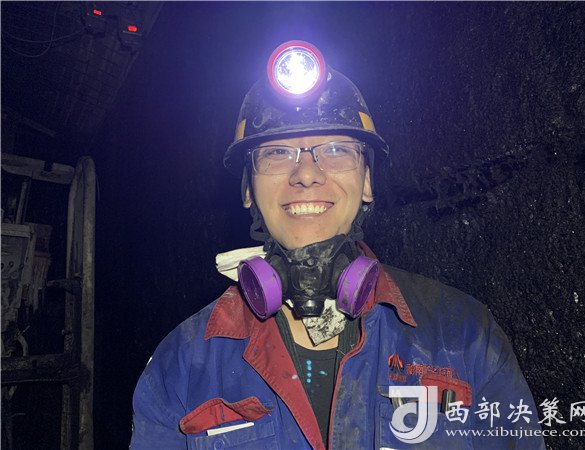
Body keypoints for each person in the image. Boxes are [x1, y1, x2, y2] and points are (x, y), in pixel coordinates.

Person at [130, 41, 545, 449]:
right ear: (248, 191)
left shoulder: (465, 335)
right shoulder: (180, 366)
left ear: (367, 182)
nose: (306, 174)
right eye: (277, 153)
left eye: (335, 150)